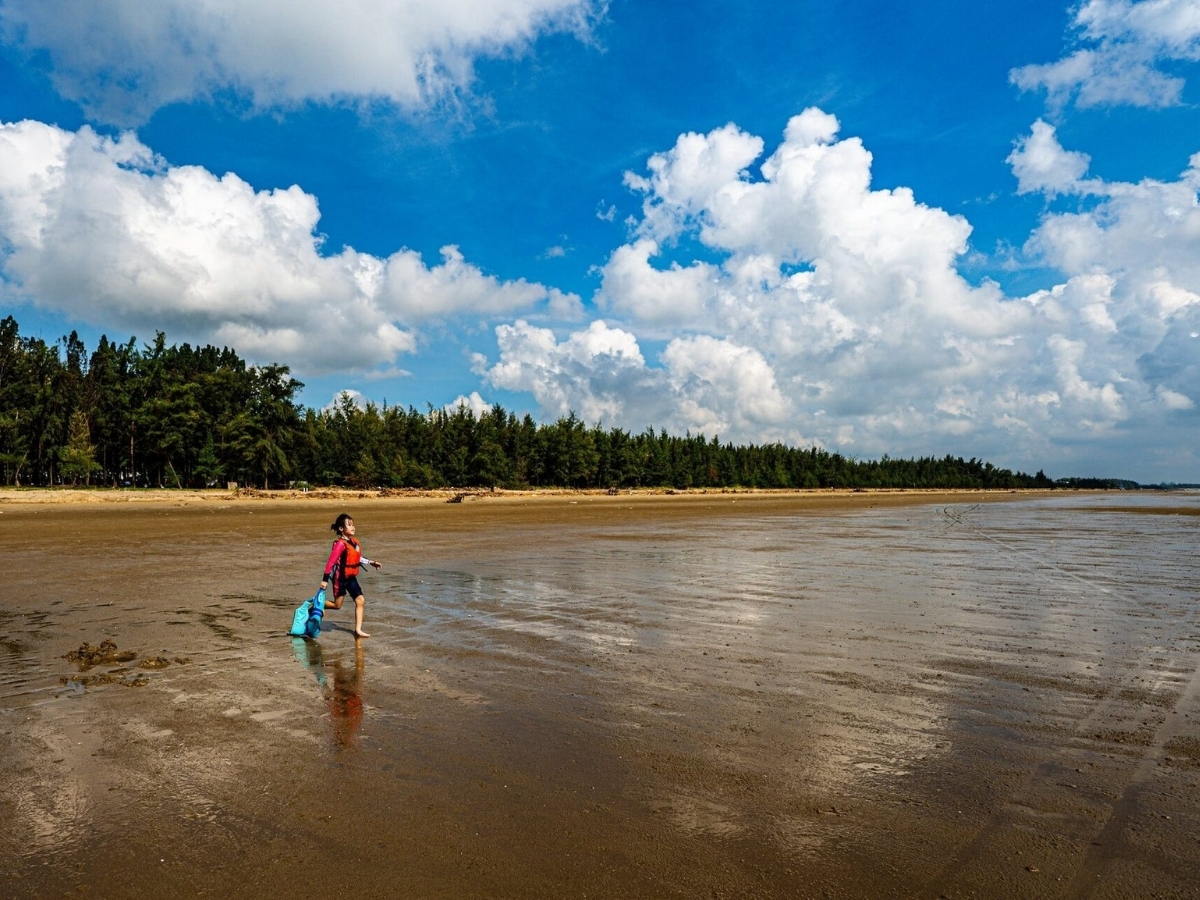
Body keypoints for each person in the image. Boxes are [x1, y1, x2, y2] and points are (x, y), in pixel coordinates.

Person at [320, 513, 382, 639]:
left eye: (353, 524)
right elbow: (331, 562)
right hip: (340, 577)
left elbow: (357, 558)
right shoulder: (340, 544)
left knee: (360, 600)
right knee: (337, 605)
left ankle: (358, 629)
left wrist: (371, 562)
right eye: (349, 525)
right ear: (341, 529)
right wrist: (325, 580)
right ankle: (318, 605)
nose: (353, 527)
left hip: (351, 577)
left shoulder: (354, 542)